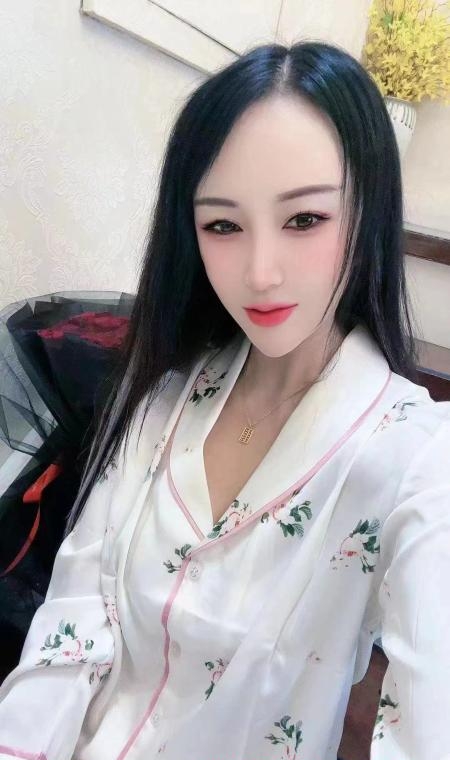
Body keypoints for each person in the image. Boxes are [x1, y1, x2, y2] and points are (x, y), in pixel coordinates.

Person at [0, 39, 449, 760]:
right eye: (222, 225)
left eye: (304, 220)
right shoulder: (161, 392)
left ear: (367, 211)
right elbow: (71, 623)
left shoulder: (419, 460)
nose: (260, 273)